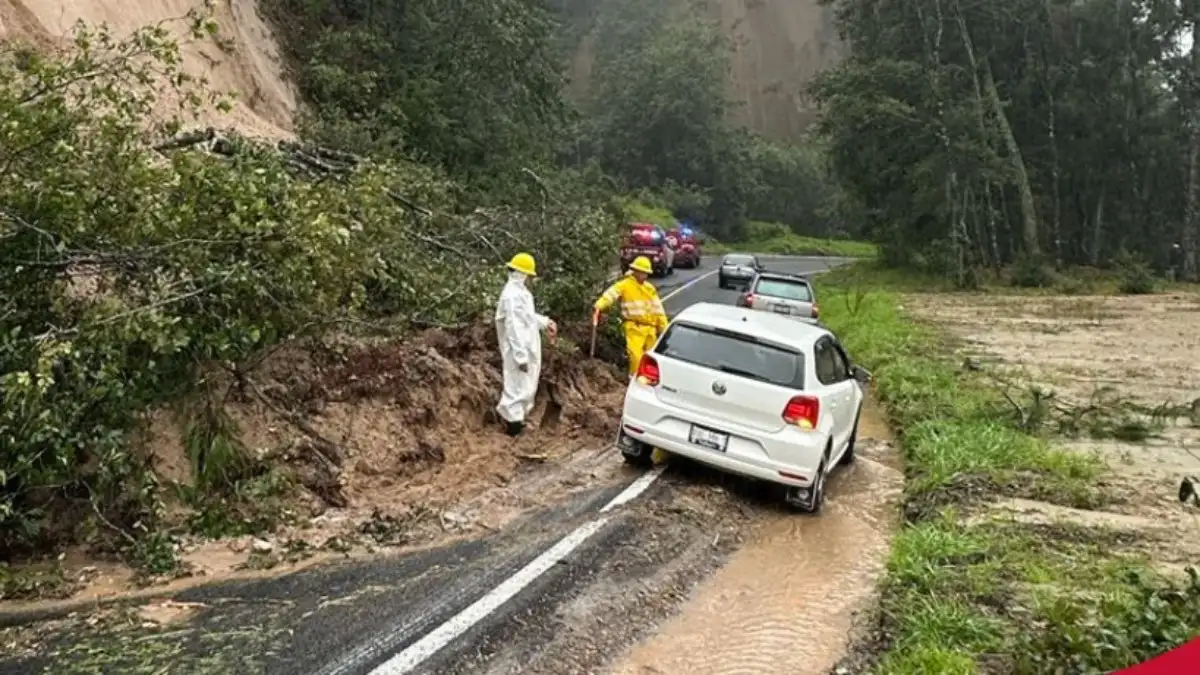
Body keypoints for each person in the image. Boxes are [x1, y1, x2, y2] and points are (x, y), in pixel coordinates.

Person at [495, 252, 556, 437]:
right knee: (516, 387)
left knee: (525, 386)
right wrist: (520, 356)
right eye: (530, 275)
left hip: (525, 347)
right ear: (523, 274)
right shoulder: (512, 296)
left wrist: (546, 322)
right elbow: (513, 326)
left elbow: (527, 318)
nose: (531, 279)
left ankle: (516, 421)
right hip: (518, 350)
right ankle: (511, 426)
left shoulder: (520, 294)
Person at [593, 256, 669, 376]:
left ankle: (646, 383)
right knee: (636, 357)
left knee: (650, 360)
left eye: (647, 273)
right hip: (634, 327)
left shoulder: (649, 288)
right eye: (643, 272)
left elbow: (658, 310)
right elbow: (610, 295)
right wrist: (599, 305)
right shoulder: (625, 285)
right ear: (636, 271)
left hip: (650, 329)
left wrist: (664, 328)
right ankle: (633, 379)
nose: (645, 275)